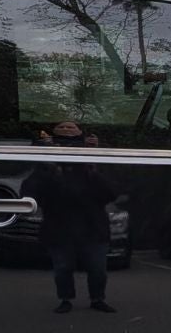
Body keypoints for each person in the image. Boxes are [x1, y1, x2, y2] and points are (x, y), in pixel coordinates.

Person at [28, 120, 117, 313]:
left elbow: (111, 192)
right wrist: (48, 165)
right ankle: (65, 299)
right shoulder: (46, 164)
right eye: (62, 129)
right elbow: (31, 191)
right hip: (59, 225)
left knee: (98, 268)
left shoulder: (94, 161)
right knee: (62, 267)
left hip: (93, 225)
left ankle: (97, 298)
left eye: (72, 128)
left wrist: (94, 162)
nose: (67, 130)